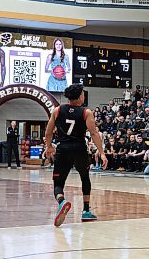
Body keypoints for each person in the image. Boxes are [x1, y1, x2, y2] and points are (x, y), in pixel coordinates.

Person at [44, 84, 108, 226]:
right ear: (80, 96)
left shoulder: (57, 110)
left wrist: (48, 147)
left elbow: (48, 132)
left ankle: (62, 201)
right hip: (80, 149)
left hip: (63, 149)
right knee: (85, 178)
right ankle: (85, 211)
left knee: (58, 183)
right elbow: (94, 133)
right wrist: (102, 153)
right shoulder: (86, 112)